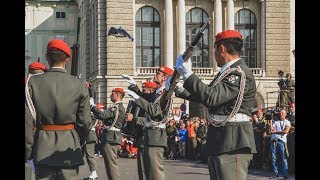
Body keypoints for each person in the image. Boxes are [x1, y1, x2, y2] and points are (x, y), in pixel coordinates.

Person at [174, 30, 257, 180]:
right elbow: (205, 95)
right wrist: (179, 89)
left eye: (214, 49)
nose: (213, 53)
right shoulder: (226, 73)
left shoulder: (238, 73)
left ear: (222, 49)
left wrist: (188, 74)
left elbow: (211, 97)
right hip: (222, 139)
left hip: (233, 141)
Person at [25, 39, 93, 179]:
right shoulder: (79, 84)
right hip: (69, 145)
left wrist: (29, 150)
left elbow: (27, 122)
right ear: (67, 58)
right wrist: (76, 140)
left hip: (42, 147)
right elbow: (85, 122)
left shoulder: (32, 83)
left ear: (47, 57)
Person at [122, 66, 173, 180]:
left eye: (158, 73)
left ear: (165, 77)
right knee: (147, 172)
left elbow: (154, 110)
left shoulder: (166, 94)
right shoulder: (157, 93)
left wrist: (136, 98)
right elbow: (145, 97)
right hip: (150, 135)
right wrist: (134, 86)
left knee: (155, 173)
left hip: (156, 137)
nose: (155, 75)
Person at [89, 87, 126, 180]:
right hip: (111, 136)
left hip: (111, 137)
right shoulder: (116, 107)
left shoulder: (116, 107)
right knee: (109, 164)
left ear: (117, 95)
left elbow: (103, 115)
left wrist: (93, 106)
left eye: (112, 94)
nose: (110, 95)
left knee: (111, 164)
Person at [125, 80, 157, 180]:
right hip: (140, 134)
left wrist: (134, 118)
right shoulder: (145, 101)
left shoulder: (152, 101)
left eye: (144, 90)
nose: (142, 93)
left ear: (151, 91)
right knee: (141, 167)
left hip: (147, 135)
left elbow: (150, 119)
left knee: (147, 167)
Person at [84, 103, 104, 180]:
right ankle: (93, 173)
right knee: (89, 155)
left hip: (90, 135)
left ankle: (94, 174)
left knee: (90, 155)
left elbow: (88, 124)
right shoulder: (92, 114)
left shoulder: (92, 115)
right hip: (89, 136)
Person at [269, 109, 291, 180]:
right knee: (274, 158)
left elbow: (286, 131)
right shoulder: (275, 121)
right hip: (274, 141)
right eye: (280, 113)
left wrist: (275, 132)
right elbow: (271, 130)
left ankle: (285, 174)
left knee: (284, 158)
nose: (281, 114)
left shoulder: (287, 122)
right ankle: (276, 173)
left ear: (285, 114)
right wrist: (270, 120)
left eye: (282, 113)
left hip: (282, 141)